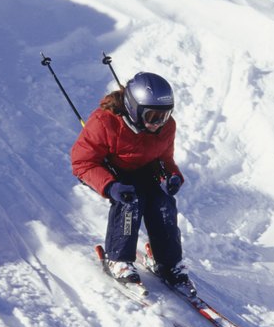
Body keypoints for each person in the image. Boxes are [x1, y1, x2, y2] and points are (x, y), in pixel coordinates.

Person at [71, 72, 191, 290]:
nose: (159, 123)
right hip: (113, 172)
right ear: (134, 108)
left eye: (165, 115)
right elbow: (82, 163)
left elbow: (165, 160)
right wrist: (110, 186)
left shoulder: (166, 127)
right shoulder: (104, 122)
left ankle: (168, 261)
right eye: (153, 116)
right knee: (131, 202)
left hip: (145, 169)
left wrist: (172, 177)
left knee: (163, 202)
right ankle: (118, 259)